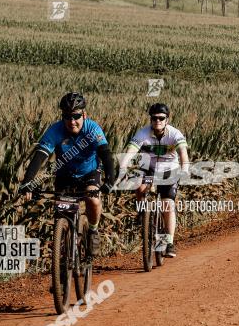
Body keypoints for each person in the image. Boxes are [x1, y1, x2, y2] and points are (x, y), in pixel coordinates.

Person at [20, 93, 114, 255]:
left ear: (84, 114)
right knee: (61, 214)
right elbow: (40, 156)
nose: (72, 122)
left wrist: (110, 180)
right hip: (65, 174)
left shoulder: (93, 129)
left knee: (93, 199)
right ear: (62, 116)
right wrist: (28, 182)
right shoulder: (55, 130)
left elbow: (105, 154)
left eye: (76, 116)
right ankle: (63, 255)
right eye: (67, 117)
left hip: (89, 172)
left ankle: (92, 230)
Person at [117, 103, 189, 257]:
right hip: (149, 167)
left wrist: (185, 170)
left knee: (167, 204)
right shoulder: (143, 133)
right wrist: (123, 166)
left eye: (161, 118)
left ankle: (167, 242)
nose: (158, 121)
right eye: (154, 118)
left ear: (167, 120)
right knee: (140, 188)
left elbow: (183, 153)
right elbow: (131, 152)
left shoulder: (174, 134)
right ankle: (144, 216)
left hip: (169, 169)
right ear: (150, 119)